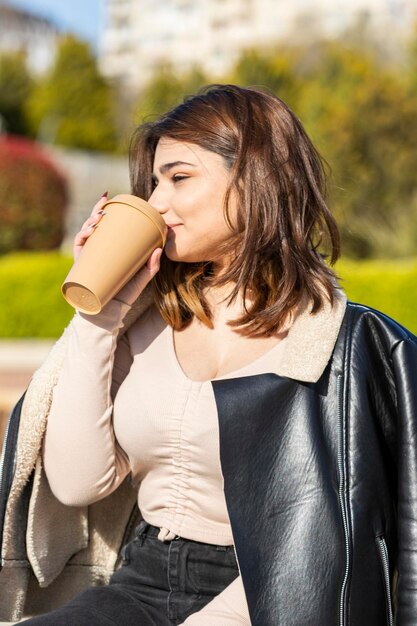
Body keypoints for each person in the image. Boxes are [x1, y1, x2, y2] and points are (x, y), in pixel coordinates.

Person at [1, 84, 416, 626]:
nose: (157, 202)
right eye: (154, 182)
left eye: (179, 177)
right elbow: (80, 483)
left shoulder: (339, 349)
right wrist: (98, 320)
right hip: (141, 580)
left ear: (254, 178)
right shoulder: (142, 322)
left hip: (275, 589)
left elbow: (334, 538)